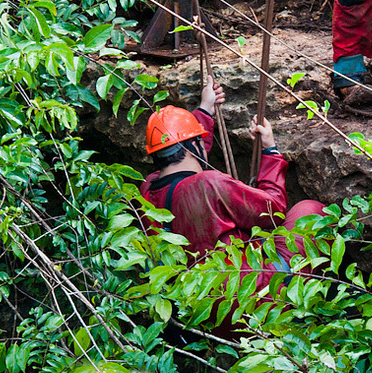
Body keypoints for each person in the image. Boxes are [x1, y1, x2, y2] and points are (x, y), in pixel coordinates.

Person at [139, 81, 326, 301]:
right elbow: (273, 211)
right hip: (247, 298)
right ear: (192, 147)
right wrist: (271, 151)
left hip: (194, 305)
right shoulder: (210, 184)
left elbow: (190, 152)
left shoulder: (147, 189)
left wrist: (205, 109)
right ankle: (305, 301)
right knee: (312, 212)